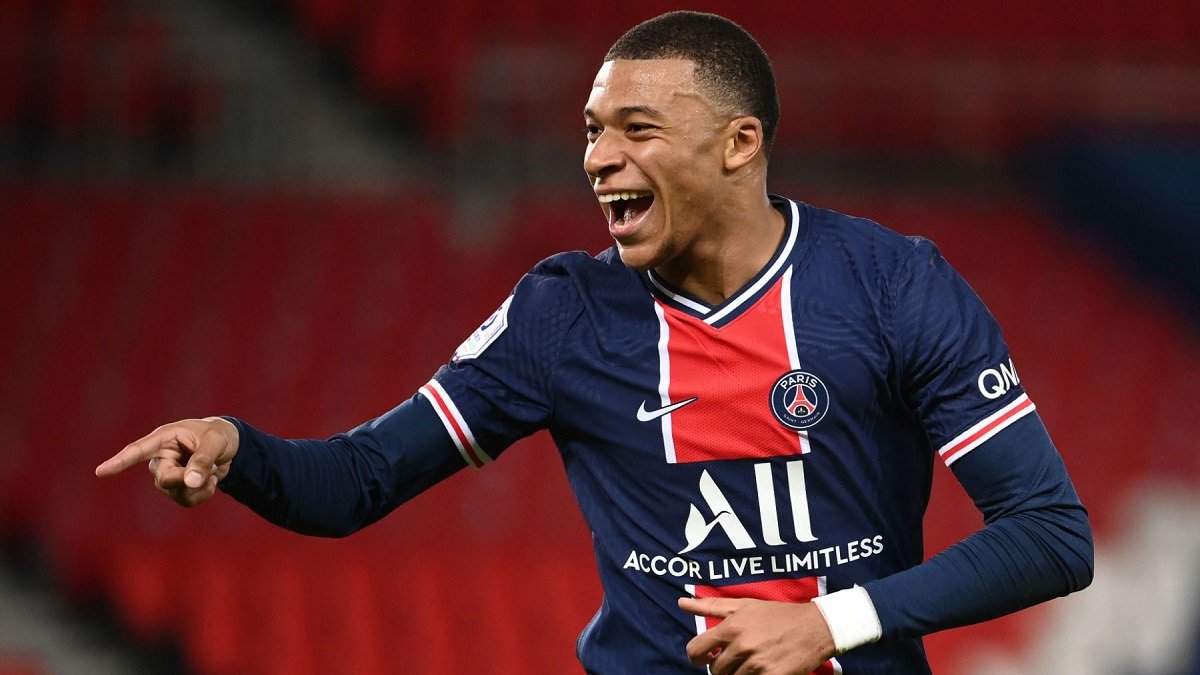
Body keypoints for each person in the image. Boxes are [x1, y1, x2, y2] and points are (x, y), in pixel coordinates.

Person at [96, 10, 1093, 674]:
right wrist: (236, 447)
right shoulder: (560, 314)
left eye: (637, 130)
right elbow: (355, 483)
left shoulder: (891, 286)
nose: (600, 159)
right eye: (590, 131)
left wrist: (829, 623)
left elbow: (1049, 536)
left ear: (739, 144)